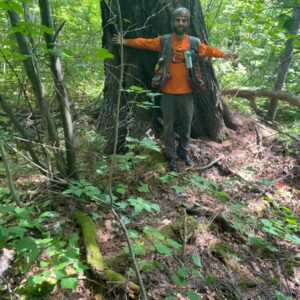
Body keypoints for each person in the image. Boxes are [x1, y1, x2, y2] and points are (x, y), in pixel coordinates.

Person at [113, 7, 235, 172]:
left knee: (186, 126)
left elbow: (208, 50)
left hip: (187, 93)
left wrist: (223, 54)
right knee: (168, 128)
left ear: (187, 23)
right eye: (177, 20)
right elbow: (144, 43)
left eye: (183, 20)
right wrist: (125, 41)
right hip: (168, 93)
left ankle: (183, 153)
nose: (180, 23)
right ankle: (171, 157)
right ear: (173, 22)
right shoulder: (164, 41)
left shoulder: (193, 42)